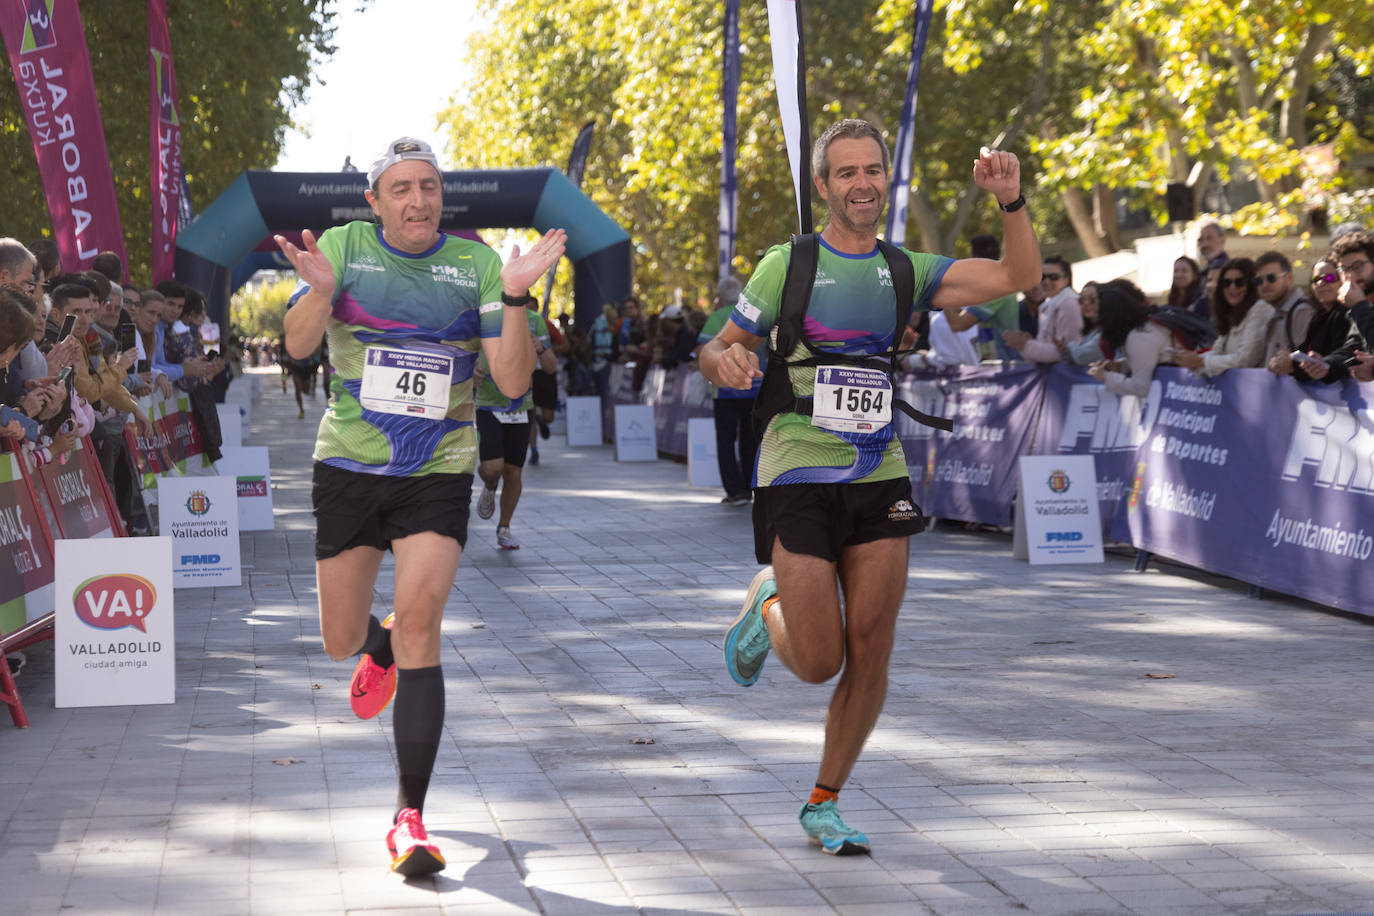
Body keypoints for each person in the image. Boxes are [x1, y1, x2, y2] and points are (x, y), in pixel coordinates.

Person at [698, 119, 1038, 856]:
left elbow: (1018, 280)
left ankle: (825, 800)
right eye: (846, 172)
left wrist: (1011, 202)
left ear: (887, 180)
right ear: (822, 186)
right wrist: (720, 363)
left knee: (873, 646)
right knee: (820, 660)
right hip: (797, 466)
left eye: (873, 171)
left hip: (878, 469)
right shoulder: (788, 264)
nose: (862, 184)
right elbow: (721, 343)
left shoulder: (906, 268)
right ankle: (769, 602)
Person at [273, 135, 566, 876]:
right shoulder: (340, 247)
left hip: (438, 467)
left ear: (443, 197)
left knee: (424, 631)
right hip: (349, 465)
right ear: (374, 202)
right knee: (342, 639)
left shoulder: (476, 267)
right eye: (400, 188)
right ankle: (378, 646)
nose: (418, 200)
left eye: (429, 187)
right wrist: (315, 292)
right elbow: (299, 348)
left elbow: (508, 382)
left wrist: (515, 297)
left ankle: (409, 819)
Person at [473, 296, 556, 549]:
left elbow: (551, 368)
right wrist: (471, 369)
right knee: (493, 468)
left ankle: (504, 527)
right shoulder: (484, 318)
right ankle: (488, 484)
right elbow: (463, 352)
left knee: (513, 472)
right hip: (489, 402)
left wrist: (539, 349)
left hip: (522, 405)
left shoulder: (535, 323)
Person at [697, 274, 759, 507]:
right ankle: (748, 489)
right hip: (754, 388)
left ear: (720, 297)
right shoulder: (756, 315)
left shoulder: (717, 317)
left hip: (724, 390)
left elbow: (702, 349)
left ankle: (734, 491)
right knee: (750, 440)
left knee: (725, 440)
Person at [1172, 258, 1274, 377]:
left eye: (1239, 282)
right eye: (1226, 283)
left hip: (1255, 389)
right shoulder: (1231, 313)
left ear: (1251, 285)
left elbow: (1246, 359)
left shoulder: (1260, 309)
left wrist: (1200, 361)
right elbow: (1218, 350)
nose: (1232, 287)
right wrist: (1190, 359)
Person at [1086, 280, 1178, 397]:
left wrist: (1105, 376)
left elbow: (1141, 388)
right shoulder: (1142, 329)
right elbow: (1149, 360)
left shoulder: (1139, 336)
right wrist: (1120, 366)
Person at [1306, 231, 1374, 384]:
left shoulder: (1359, 305)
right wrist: (1325, 365)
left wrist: (1358, 306)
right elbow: (1353, 349)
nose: (1350, 276)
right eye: (1344, 269)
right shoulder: (1361, 306)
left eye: (1357, 266)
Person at [1267, 259, 1351, 381]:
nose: (1321, 283)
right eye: (1316, 280)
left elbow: (1343, 356)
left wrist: (1293, 365)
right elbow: (1304, 351)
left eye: (1329, 278)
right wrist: (1282, 360)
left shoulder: (1347, 313)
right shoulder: (1319, 316)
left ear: (1344, 280)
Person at [944, 234, 1020, 360]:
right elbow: (962, 312)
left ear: (975, 259)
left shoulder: (996, 288)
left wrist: (943, 291)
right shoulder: (997, 284)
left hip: (1006, 368)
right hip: (1000, 366)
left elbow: (957, 325)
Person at [1002, 255, 1081, 361]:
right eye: (1042, 277)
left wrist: (1025, 345)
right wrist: (1030, 343)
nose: (1046, 282)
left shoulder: (1069, 304)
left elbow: (1068, 353)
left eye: (1053, 277)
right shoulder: (1053, 304)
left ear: (1066, 280)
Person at [1254, 250, 1313, 365]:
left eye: (1271, 278)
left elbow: (1302, 362)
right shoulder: (1267, 312)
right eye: (1259, 280)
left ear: (1289, 278)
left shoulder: (1302, 311)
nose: (1265, 284)